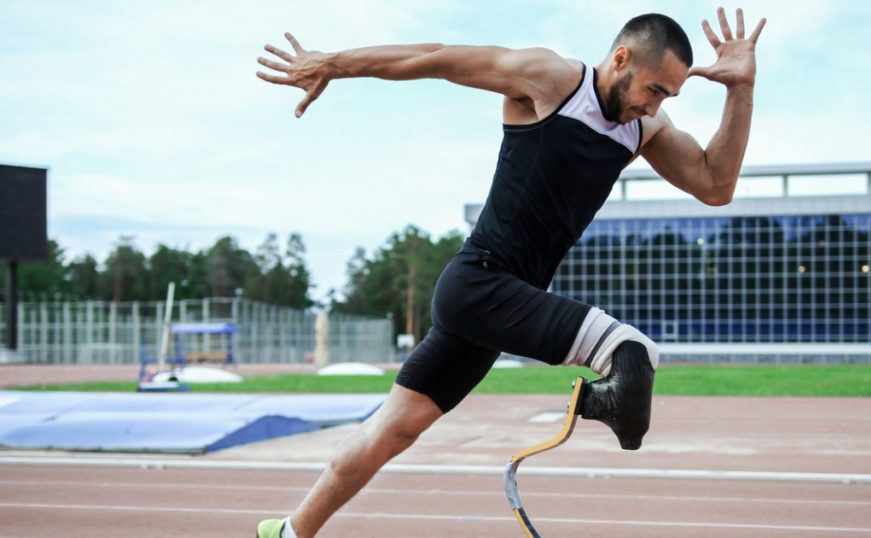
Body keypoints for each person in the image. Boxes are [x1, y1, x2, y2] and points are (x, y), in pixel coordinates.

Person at [255, 8, 765, 538]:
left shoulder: (644, 128)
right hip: (479, 282)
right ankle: (588, 400)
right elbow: (434, 57)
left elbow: (716, 185)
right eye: (653, 89)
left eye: (667, 98)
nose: (654, 105)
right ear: (621, 59)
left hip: (498, 302)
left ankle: (288, 531)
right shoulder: (552, 81)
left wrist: (741, 90)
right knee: (631, 354)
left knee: (391, 431)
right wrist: (332, 63)